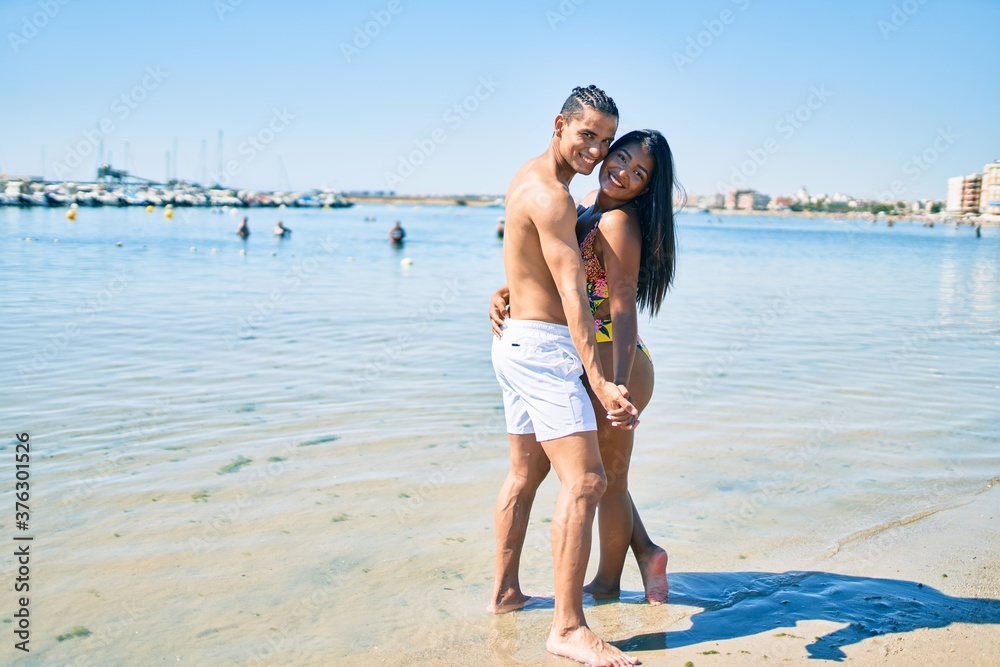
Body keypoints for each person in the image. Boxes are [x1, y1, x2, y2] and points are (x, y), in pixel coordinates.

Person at [491, 129, 677, 608]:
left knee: (610, 481)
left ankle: (609, 585)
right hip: (590, 357)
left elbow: (622, 308)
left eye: (640, 174)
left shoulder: (617, 222)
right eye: (622, 158)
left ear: (647, 188)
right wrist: (509, 291)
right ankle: (647, 552)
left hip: (621, 359)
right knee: (599, 476)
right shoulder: (590, 202)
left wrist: (614, 382)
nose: (624, 173)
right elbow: (555, 269)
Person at [489, 85, 640, 667]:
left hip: (515, 343)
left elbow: (524, 264)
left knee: (524, 475)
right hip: (546, 349)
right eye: (588, 135)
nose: (597, 151)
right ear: (560, 124)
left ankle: (505, 593)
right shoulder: (553, 197)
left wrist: (502, 294)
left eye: (605, 141)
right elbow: (576, 296)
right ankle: (568, 628)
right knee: (587, 483)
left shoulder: (525, 175)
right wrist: (601, 382)